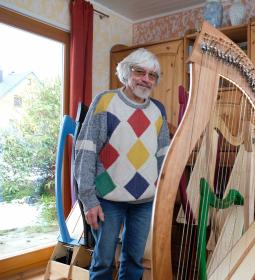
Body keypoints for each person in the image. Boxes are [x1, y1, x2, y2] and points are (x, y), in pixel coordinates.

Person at [74, 48, 170, 280]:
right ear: (127, 72)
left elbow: (163, 155)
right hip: (107, 199)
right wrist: (88, 200)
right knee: (104, 262)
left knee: (134, 262)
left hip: (145, 201)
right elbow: (85, 150)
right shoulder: (105, 101)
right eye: (140, 72)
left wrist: (162, 194)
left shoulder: (158, 110)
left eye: (152, 75)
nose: (146, 79)